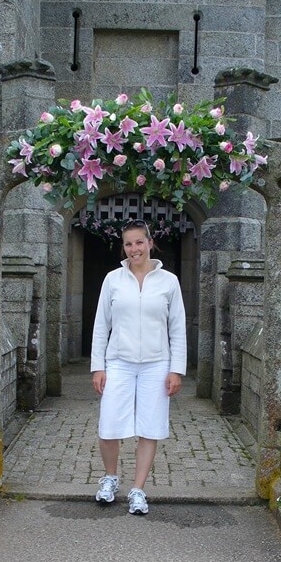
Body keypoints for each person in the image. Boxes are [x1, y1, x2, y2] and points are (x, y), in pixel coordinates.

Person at [90, 218, 187, 515]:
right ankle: (110, 478)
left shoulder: (169, 281)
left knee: (149, 427)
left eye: (139, 242)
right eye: (129, 244)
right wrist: (98, 366)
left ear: (150, 243)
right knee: (109, 427)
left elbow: (178, 328)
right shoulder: (112, 280)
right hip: (118, 361)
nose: (134, 249)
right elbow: (101, 325)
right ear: (124, 247)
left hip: (157, 365)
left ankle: (138, 490)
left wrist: (176, 369)